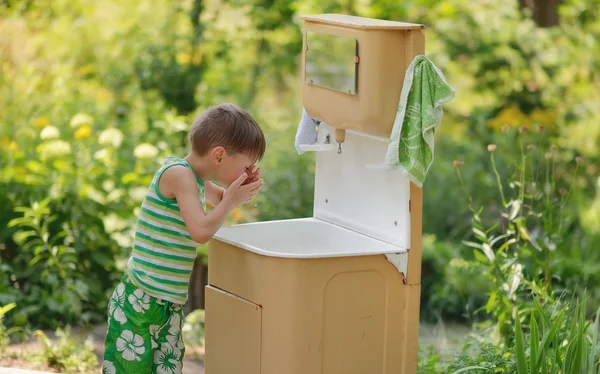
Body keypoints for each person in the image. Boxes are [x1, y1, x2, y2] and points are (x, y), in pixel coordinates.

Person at [102, 103, 265, 374]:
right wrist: (229, 202)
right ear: (220, 155)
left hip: (168, 303)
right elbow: (200, 231)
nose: (248, 171)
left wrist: (241, 189)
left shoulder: (198, 181)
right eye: (246, 166)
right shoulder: (178, 175)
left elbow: (223, 201)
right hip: (141, 300)